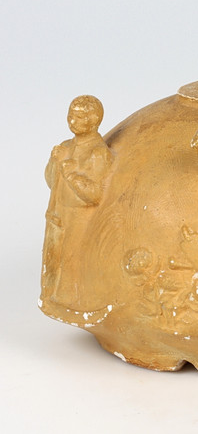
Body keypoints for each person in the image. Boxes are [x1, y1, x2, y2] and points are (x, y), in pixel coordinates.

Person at [41, 95, 113, 311]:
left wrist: (70, 171)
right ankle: (54, 300)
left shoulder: (97, 152)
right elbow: (51, 181)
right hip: (57, 213)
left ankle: (75, 306)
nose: (73, 121)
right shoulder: (66, 146)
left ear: (94, 120)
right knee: (53, 260)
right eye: (70, 116)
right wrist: (54, 162)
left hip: (79, 218)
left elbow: (95, 195)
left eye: (80, 117)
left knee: (73, 265)